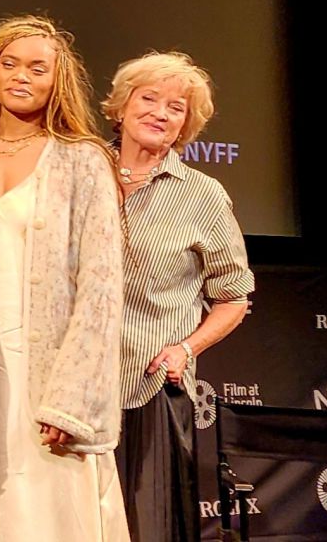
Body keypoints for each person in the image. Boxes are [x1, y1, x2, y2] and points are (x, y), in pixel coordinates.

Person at [0, 14, 128, 541]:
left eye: (37, 68)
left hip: (44, 376)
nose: (21, 76)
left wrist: (72, 398)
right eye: (10, 64)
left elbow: (100, 291)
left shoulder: (82, 161)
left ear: (57, 81)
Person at [103, 51, 254, 542]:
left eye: (176, 107)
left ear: (186, 125)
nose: (160, 113)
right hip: (69, 387)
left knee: (149, 530)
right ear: (122, 105)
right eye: (149, 98)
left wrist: (186, 349)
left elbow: (234, 296)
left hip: (149, 388)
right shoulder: (80, 172)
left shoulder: (202, 196)